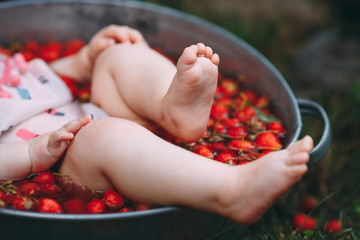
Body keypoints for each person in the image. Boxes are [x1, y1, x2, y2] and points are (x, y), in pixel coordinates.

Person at [0, 25, 314, 224]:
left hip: (85, 108)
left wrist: (84, 60)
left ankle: (173, 107)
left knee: (117, 57)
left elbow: (33, 79)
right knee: (105, 137)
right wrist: (31, 152)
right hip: (66, 161)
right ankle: (231, 189)